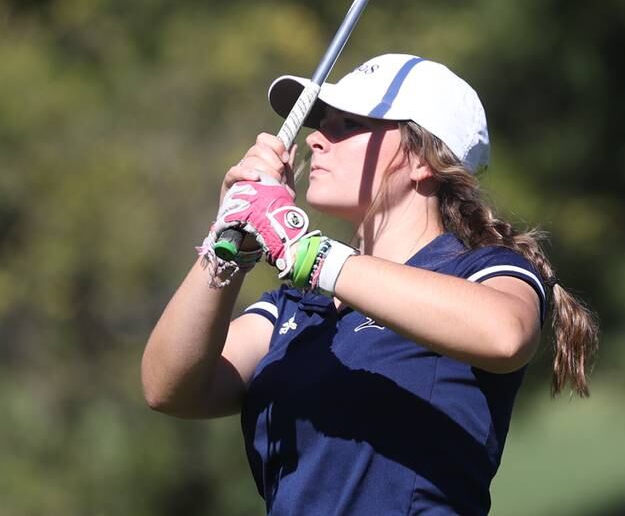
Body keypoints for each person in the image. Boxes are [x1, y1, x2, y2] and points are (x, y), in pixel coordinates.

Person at [141, 54, 599, 515]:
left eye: (346, 125)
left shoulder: (477, 269)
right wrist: (229, 244)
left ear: (422, 158)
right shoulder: (297, 308)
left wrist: (307, 253)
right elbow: (170, 387)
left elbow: (507, 334)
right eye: (320, 124)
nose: (316, 140)